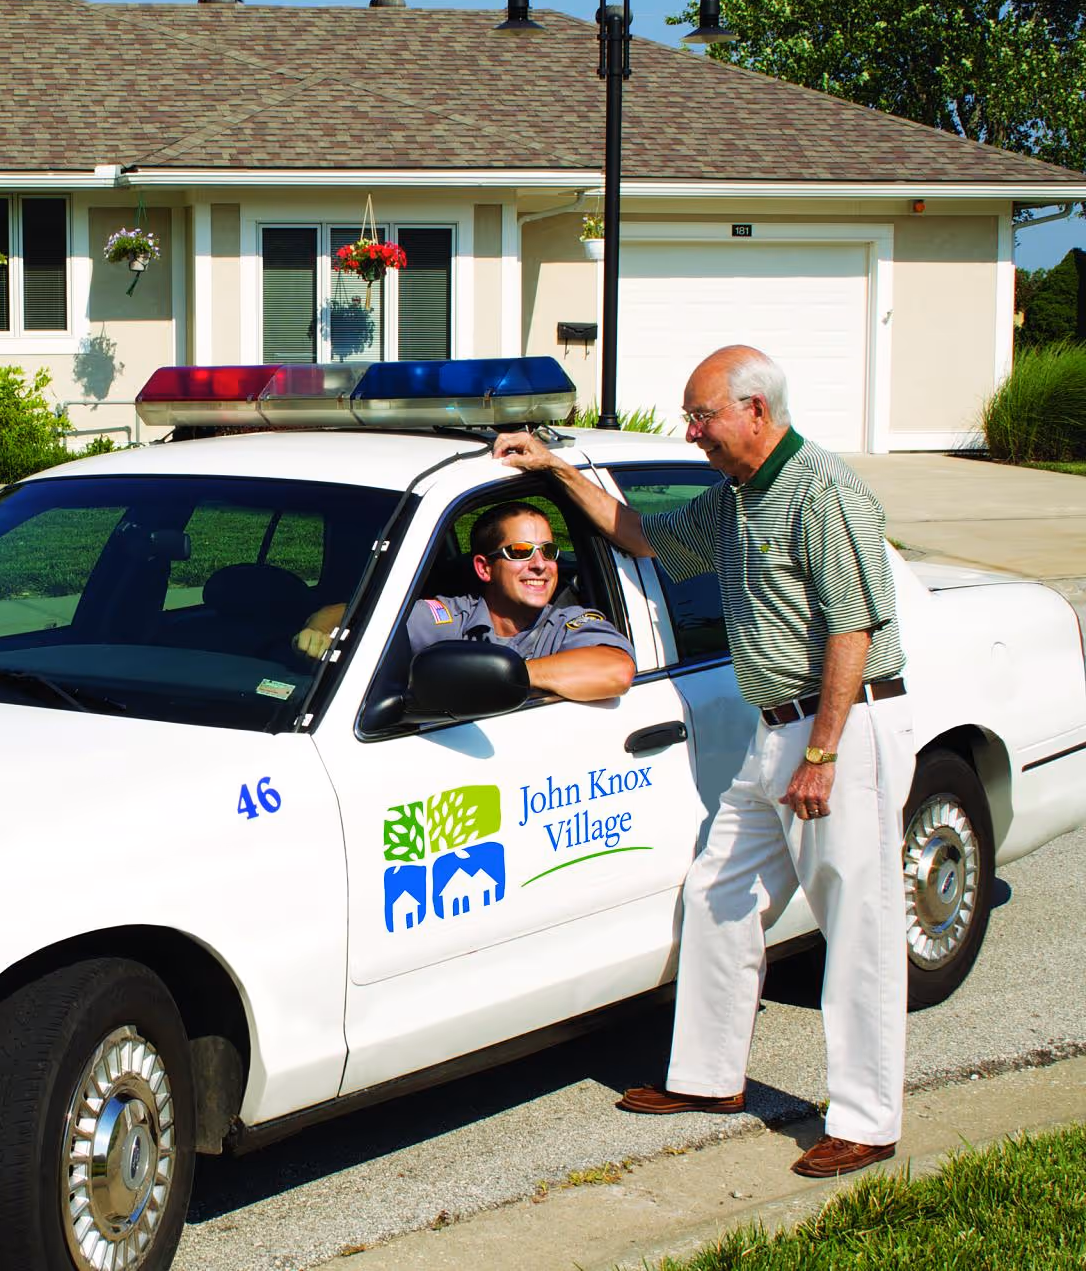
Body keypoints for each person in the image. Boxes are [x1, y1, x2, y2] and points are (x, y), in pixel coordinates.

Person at [493, 345, 913, 1180]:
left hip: (841, 726)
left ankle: (867, 1120)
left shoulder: (823, 492)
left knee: (856, 923)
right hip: (778, 729)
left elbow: (852, 632)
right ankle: (708, 1080)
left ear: (756, 409)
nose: (693, 434)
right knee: (721, 892)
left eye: (703, 415)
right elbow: (639, 534)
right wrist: (554, 468)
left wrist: (823, 753)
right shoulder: (737, 498)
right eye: (690, 417)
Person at [295, 501, 635, 703]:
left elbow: (616, 669)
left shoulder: (566, 623)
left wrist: (502, 676)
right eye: (519, 552)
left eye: (548, 551)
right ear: (484, 568)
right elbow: (348, 613)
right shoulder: (454, 615)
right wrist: (318, 630)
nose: (539, 565)